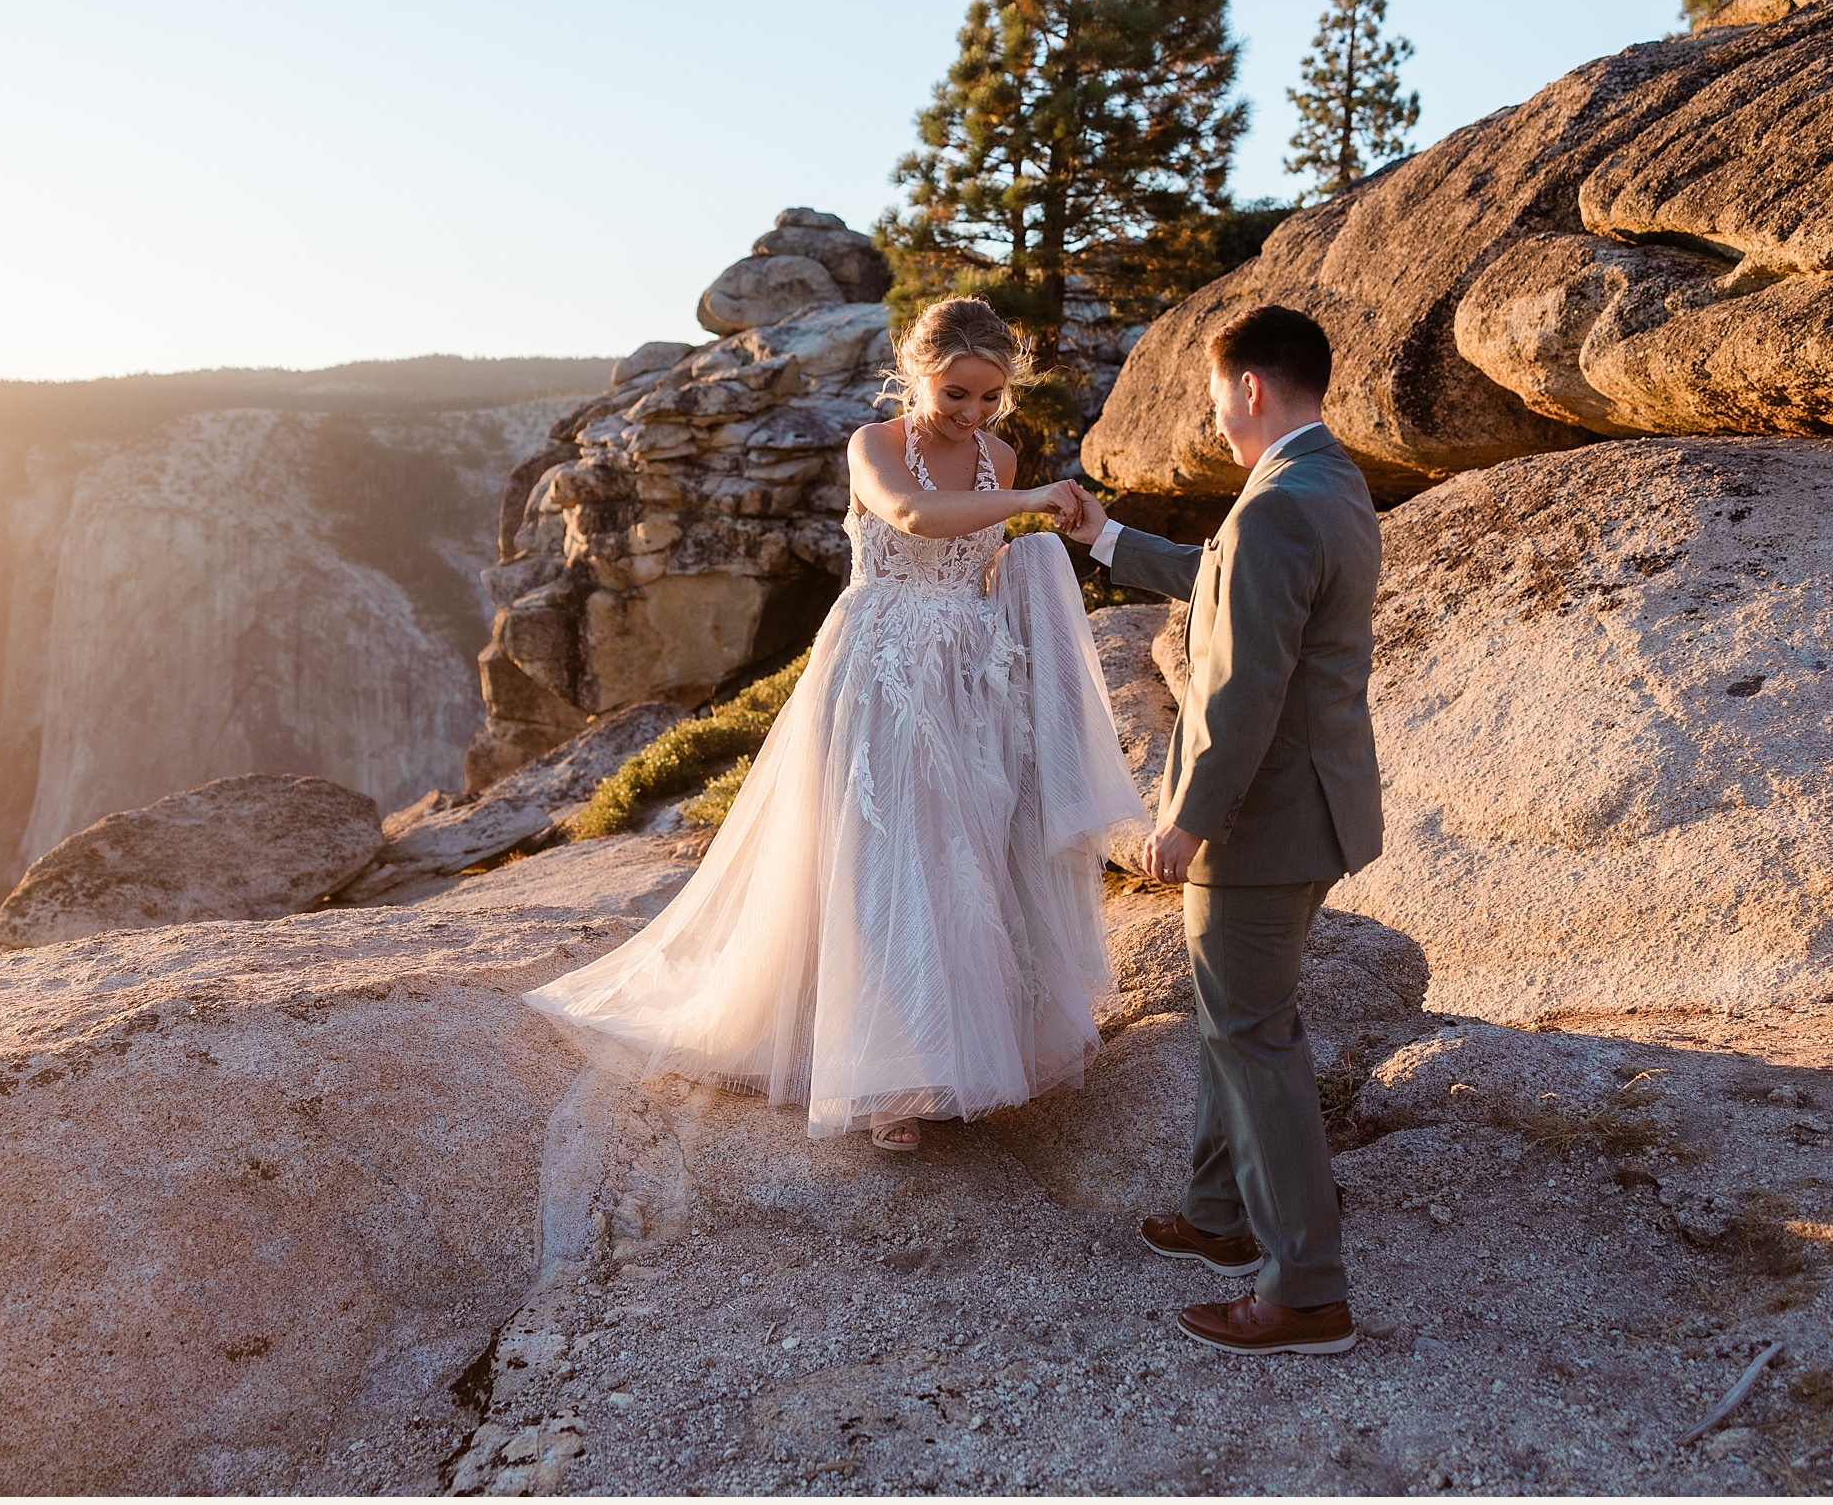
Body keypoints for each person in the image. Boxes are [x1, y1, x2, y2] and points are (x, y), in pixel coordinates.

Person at [523, 298, 1147, 1154]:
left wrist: (1033, 560)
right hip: (882, 665)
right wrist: (1037, 498)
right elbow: (917, 519)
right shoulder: (875, 446)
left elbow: (981, 561)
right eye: (958, 392)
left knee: (965, 850)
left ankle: (963, 1047)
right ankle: (886, 1071)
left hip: (969, 674)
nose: (974, 413)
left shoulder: (999, 454)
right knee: (884, 851)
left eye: (990, 397)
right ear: (915, 368)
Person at [1063, 304, 1384, 1358]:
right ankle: (1215, 1214)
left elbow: (1244, 687)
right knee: (1235, 1017)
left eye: (1215, 401)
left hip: (1262, 825)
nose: (1216, 420)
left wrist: (1189, 823)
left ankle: (1305, 1291)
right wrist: (1103, 538)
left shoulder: (1279, 504)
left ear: (1249, 388)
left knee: (1255, 1037)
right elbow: (1223, 581)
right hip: (1313, 811)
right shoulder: (1326, 480)